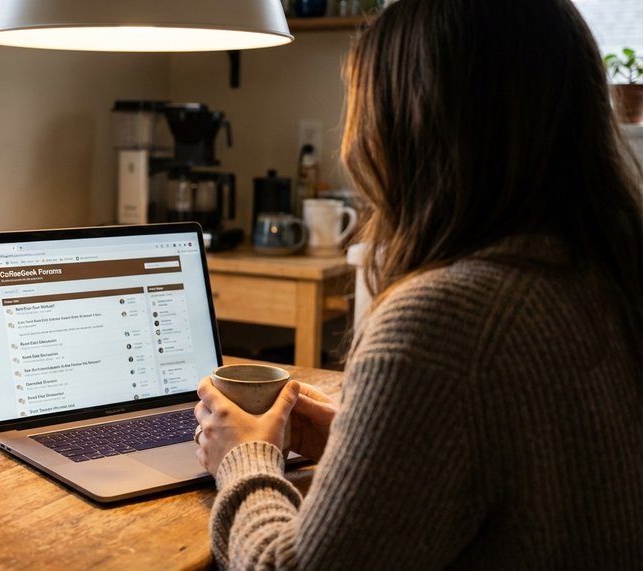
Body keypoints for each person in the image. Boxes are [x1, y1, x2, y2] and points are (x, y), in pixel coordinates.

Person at [193, 0, 643, 568]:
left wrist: (246, 456)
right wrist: (359, 445)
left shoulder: (446, 319)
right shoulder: (602, 274)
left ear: (405, 128)